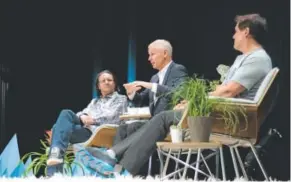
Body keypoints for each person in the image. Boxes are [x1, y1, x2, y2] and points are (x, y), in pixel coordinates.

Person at [76, 13, 272, 177]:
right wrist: (191, 102)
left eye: (236, 31)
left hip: (228, 117)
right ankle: (116, 164)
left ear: (246, 32)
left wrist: (193, 104)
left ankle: (120, 168)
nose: (233, 36)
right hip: (216, 111)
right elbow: (223, 89)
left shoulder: (257, 59)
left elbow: (229, 90)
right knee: (134, 125)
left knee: (162, 118)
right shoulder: (242, 58)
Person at [46, 70, 128, 176]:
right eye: (103, 81)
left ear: (114, 83)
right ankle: (55, 165)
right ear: (98, 86)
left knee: (60, 124)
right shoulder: (94, 101)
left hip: (101, 132)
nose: (107, 82)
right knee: (63, 118)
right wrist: (82, 116)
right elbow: (82, 112)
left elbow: (113, 117)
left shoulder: (121, 99)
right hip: (86, 131)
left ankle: (52, 171)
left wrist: (93, 119)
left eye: (109, 80)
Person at [113, 39, 188, 144]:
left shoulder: (177, 69)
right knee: (123, 128)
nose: (149, 58)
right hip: (153, 123)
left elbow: (179, 94)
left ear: (165, 53)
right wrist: (132, 93)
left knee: (133, 128)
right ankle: (114, 158)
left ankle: (129, 158)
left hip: (169, 124)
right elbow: (142, 99)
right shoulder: (154, 78)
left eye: (152, 54)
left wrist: (151, 86)